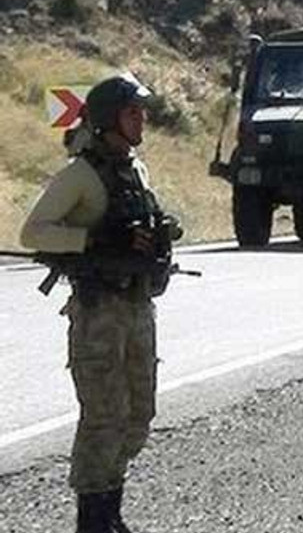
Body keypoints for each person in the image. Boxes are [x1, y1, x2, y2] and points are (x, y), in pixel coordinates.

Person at [20, 74, 180, 533]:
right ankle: (95, 519)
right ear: (110, 119)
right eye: (133, 112)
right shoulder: (80, 175)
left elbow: (144, 221)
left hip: (137, 308)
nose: (142, 119)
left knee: (138, 415)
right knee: (104, 415)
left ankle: (110, 507)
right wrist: (92, 238)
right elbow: (33, 232)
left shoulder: (136, 168)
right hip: (98, 314)